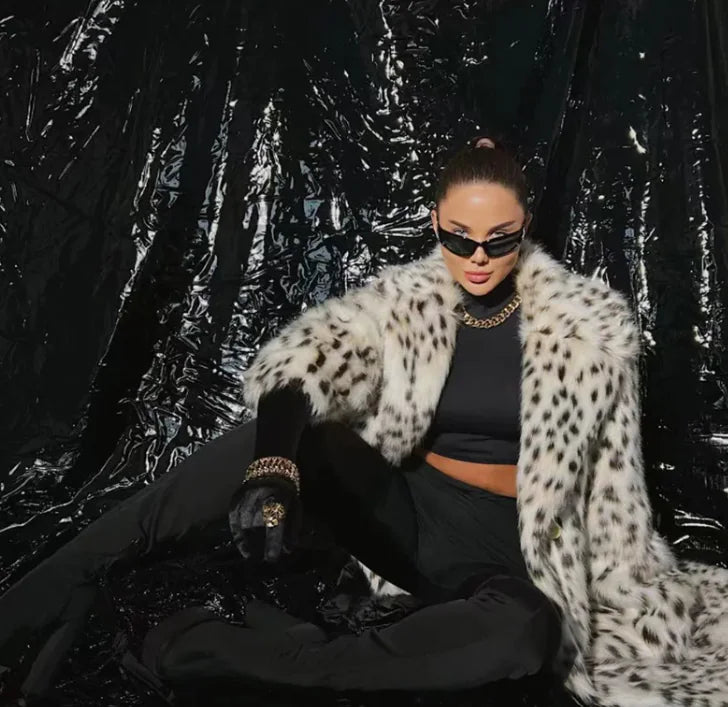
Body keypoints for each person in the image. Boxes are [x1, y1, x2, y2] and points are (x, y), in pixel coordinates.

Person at [2, 136, 728, 707]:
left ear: (524, 230)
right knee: (283, 440)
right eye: (460, 238)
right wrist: (273, 468)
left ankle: (233, 653)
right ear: (435, 223)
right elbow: (305, 363)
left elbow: (615, 485)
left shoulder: (590, 327)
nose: (478, 258)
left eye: (499, 239)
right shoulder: (407, 303)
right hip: (413, 514)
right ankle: (47, 593)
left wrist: (622, 587)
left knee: (523, 637)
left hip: (523, 551)